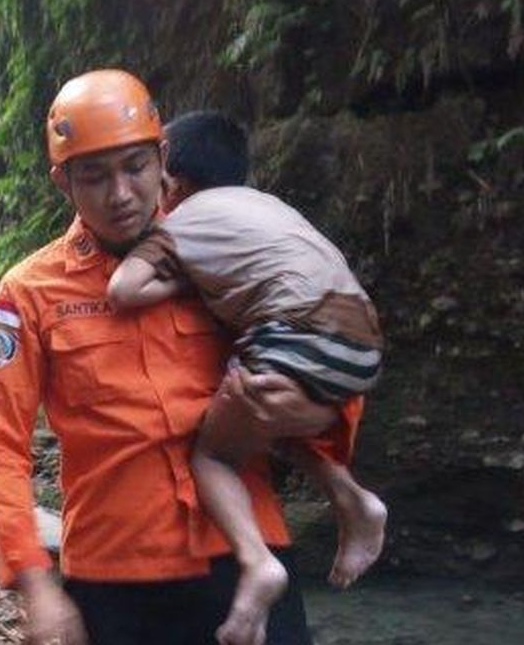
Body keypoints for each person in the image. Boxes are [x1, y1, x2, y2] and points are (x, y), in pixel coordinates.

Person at [0, 69, 361, 645]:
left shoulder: (228, 252)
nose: (120, 194)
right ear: (62, 182)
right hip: (115, 578)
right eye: (94, 177)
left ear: (162, 158)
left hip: (245, 555)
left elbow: (316, 347)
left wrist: (322, 418)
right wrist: (36, 584)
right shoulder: (29, 292)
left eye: (135, 167)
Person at [107, 109, 386, 645]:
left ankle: (258, 564)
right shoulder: (271, 206)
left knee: (212, 456)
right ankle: (352, 497)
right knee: (267, 424)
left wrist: (183, 280)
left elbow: (122, 292)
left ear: (172, 181)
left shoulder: (181, 221)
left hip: (295, 342)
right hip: (360, 345)